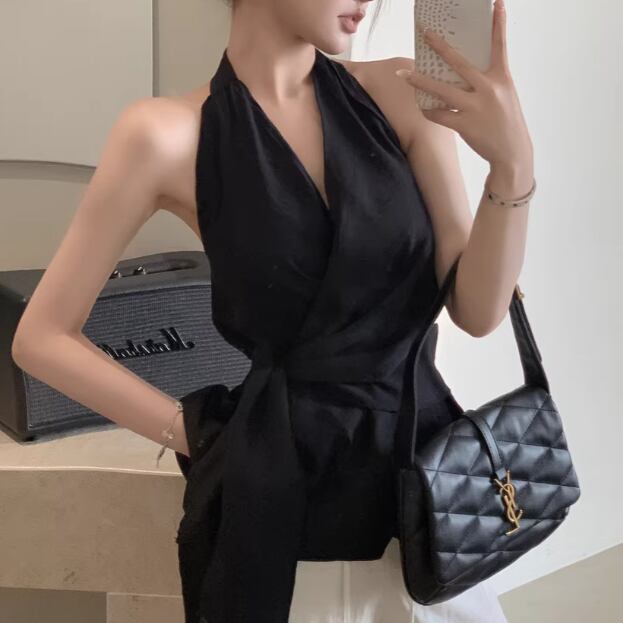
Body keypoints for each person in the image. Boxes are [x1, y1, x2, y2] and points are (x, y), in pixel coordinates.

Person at [11, 0, 533, 621]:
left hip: (430, 500)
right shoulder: (167, 134)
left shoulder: (399, 93)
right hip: (291, 511)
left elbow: (477, 310)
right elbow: (41, 336)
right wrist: (196, 434)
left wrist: (512, 165)